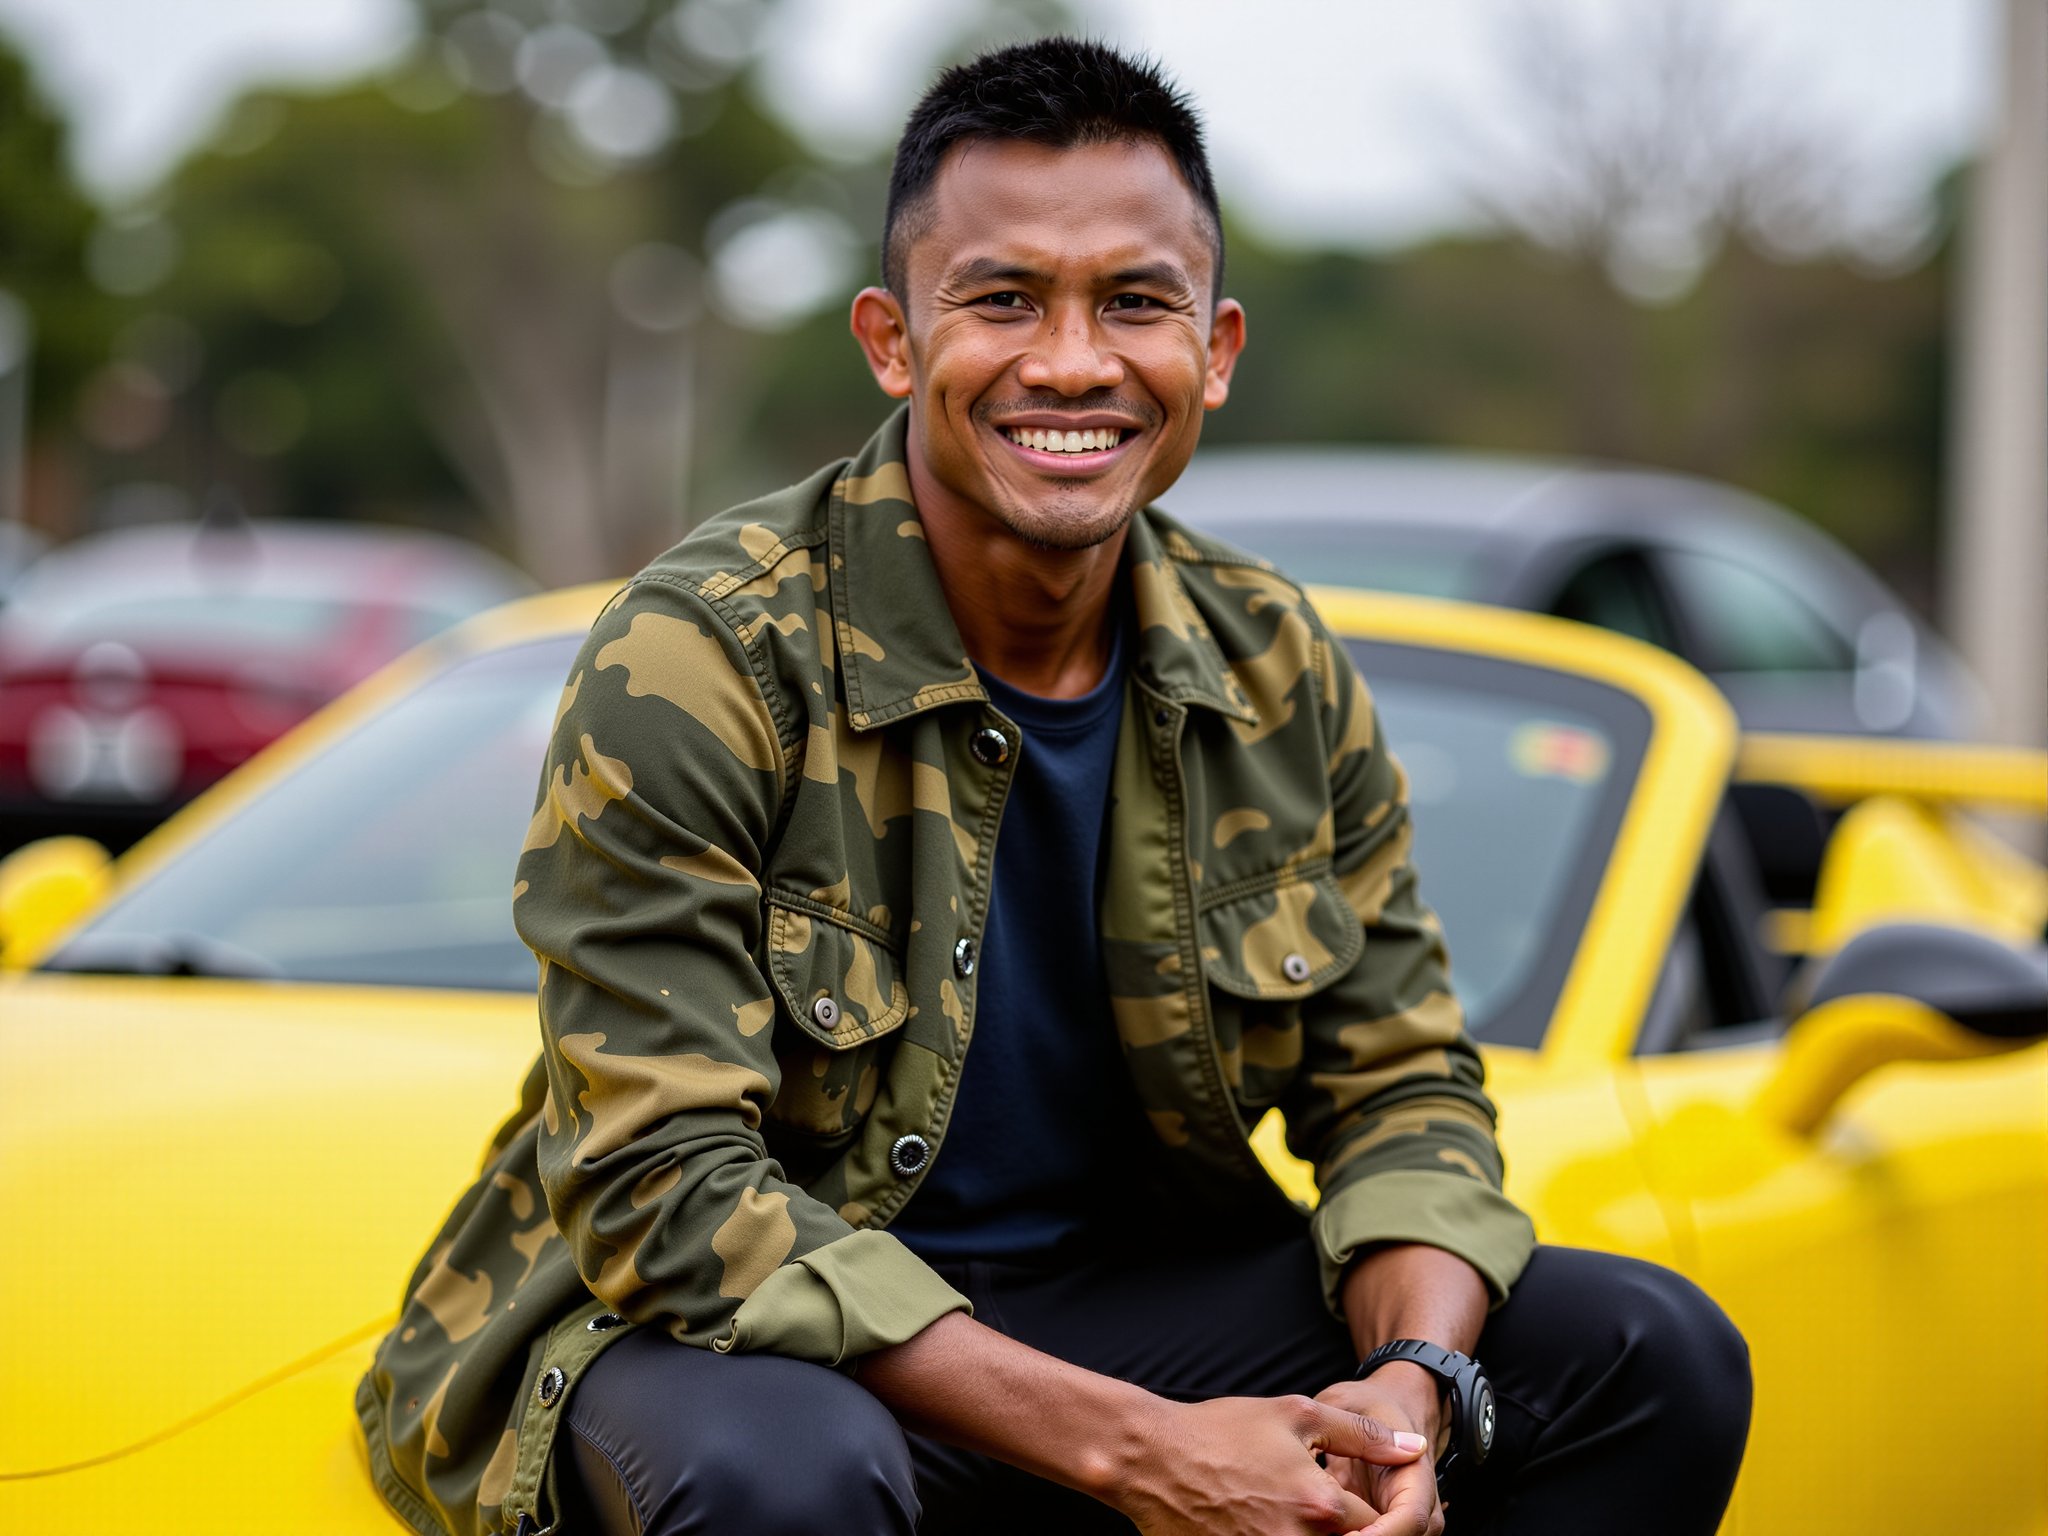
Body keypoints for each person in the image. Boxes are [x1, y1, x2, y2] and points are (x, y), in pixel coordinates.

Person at [358, 37, 1750, 1536]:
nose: (1075, 362)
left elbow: (1400, 1088)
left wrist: (1406, 1395)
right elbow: (666, 1188)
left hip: (1126, 1306)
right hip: (728, 1332)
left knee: (1649, 1355)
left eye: (1135, 303)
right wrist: (1142, 1452)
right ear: (894, 342)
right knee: (784, 1482)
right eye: (1005, 298)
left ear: (1214, 350)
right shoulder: (701, 656)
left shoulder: (1274, 660)